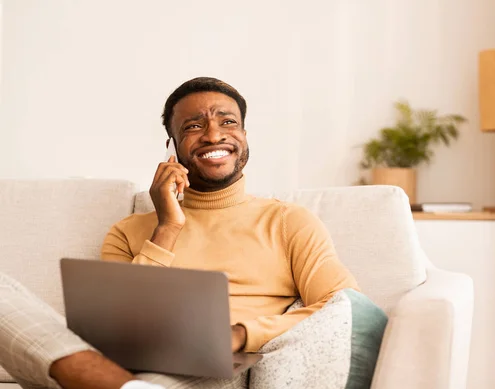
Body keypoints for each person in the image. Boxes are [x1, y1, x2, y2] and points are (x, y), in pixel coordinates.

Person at [0, 77, 359, 389]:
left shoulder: (286, 221)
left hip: (213, 369)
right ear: (171, 148)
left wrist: (241, 333)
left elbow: (342, 307)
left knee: (155, 380)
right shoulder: (128, 231)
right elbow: (118, 322)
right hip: (110, 362)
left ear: (244, 136)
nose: (213, 135)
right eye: (193, 126)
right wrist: (168, 227)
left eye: (227, 122)